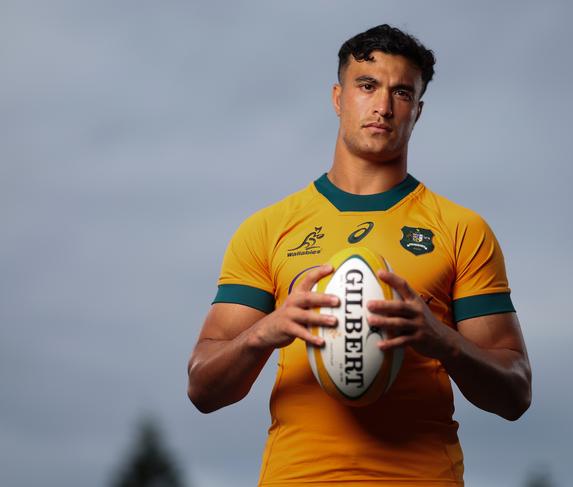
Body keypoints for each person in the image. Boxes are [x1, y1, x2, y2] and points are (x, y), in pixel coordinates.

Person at [187, 24, 532, 486]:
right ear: (338, 97)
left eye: (402, 93)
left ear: (419, 110)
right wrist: (265, 331)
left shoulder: (461, 230)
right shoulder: (267, 229)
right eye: (367, 86)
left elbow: (516, 393)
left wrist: (440, 340)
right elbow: (202, 389)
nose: (383, 107)